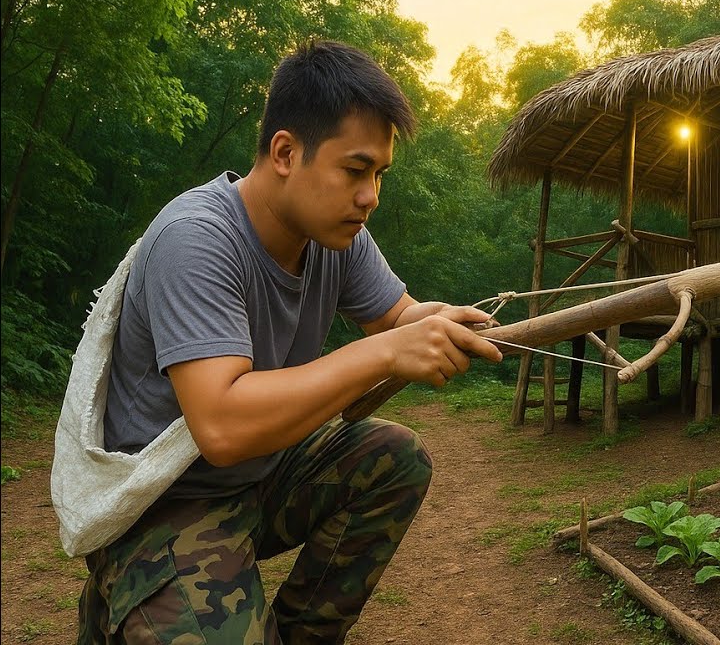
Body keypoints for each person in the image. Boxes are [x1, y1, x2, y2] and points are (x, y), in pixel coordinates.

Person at [75, 40, 502, 644]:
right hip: (165, 506)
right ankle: (134, 587)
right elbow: (221, 428)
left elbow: (396, 317)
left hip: (261, 480)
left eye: (378, 175)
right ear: (284, 152)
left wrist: (446, 322)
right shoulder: (196, 239)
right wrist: (383, 354)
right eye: (355, 170)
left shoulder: (337, 236)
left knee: (393, 459)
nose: (370, 197)